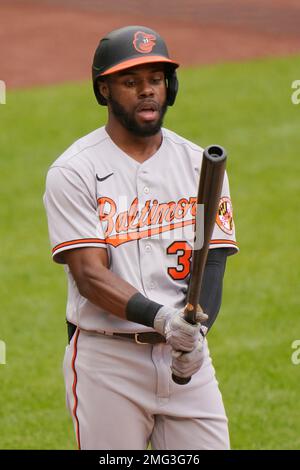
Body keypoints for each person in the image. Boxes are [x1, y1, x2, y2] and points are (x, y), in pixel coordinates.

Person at [43, 25, 238, 450]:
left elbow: (215, 258)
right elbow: (90, 276)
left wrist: (195, 335)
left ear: (171, 87)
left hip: (185, 360)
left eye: (155, 80)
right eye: (130, 82)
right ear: (104, 90)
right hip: (107, 363)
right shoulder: (74, 171)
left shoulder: (198, 165)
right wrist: (163, 319)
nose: (146, 91)